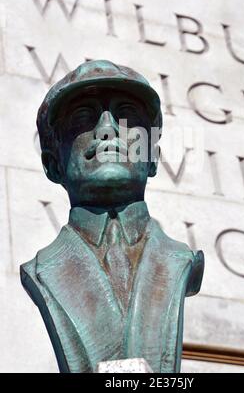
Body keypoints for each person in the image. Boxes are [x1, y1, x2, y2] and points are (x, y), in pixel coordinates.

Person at [20, 60, 204, 373]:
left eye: (127, 115)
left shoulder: (179, 259)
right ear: (53, 165)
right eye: (82, 116)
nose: (107, 130)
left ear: (153, 158)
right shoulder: (42, 269)